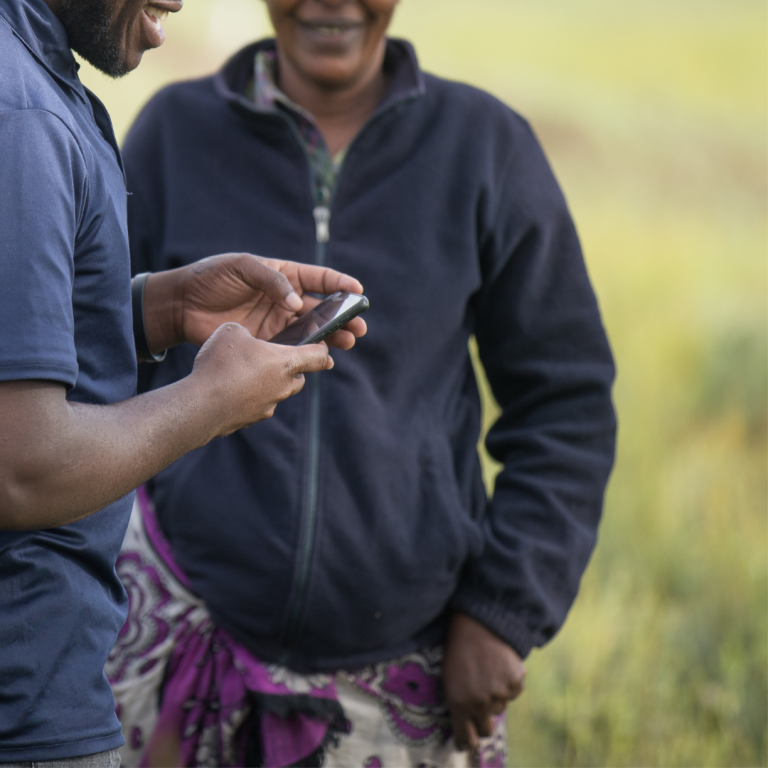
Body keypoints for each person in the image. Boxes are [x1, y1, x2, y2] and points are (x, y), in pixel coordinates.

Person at [109, 0, 617, 765]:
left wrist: (504, 610)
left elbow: (565, 403)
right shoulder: (171, 133)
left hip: (406, 681)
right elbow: (94, 349)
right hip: (186, 641)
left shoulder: (485, 147)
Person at [0, 0, 366, 764]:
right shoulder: (24, 115)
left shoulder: (32, 82)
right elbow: (22, 469)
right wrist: (205, 403)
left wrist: (157, 308)